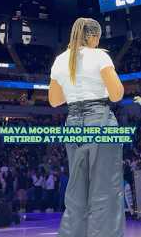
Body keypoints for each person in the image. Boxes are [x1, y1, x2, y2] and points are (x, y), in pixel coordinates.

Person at [49, 17, 125, 237]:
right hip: (100, 120)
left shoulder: (60, 60)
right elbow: (117, 94)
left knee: (76, 194)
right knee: (105, 192)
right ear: (93, 37)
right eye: (97, 38)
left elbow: (54, 100)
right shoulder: (100, 55)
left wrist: (75, 86)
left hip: (72, 123)